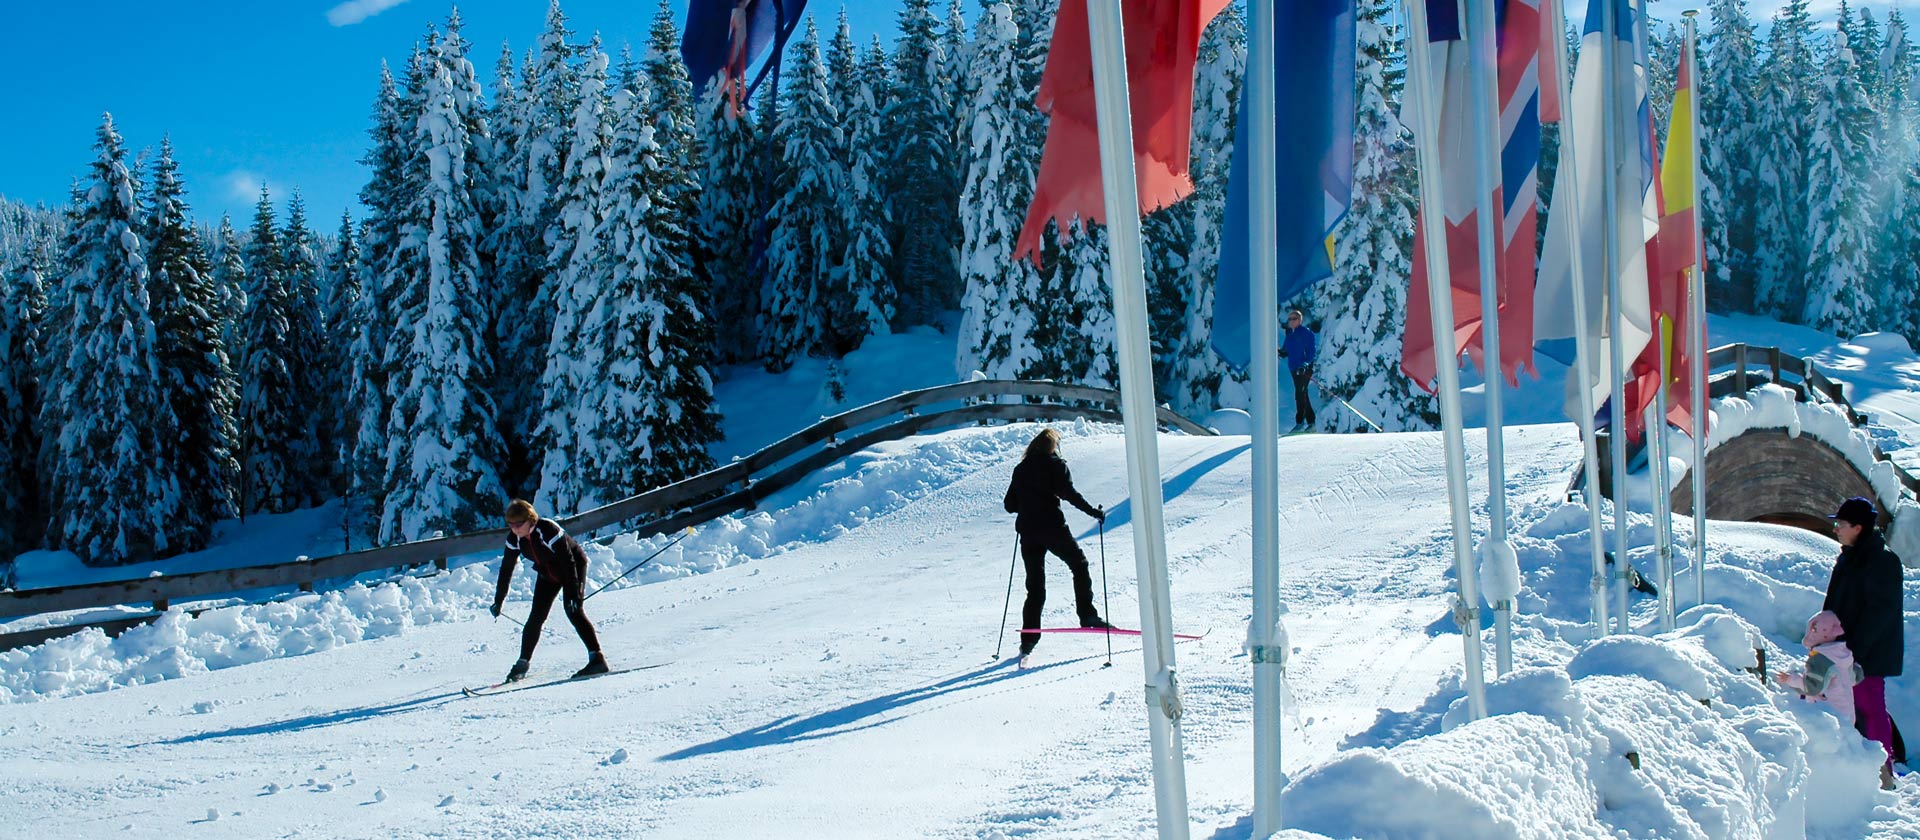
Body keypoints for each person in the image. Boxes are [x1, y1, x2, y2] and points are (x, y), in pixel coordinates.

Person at [1003, 428, 1112, 660]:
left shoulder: (1021, 469)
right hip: (1052, 528)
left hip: (1028, 533)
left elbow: (1009, 505)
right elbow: (1069, 494)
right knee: (1079, 564)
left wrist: (1027, 500)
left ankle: (1028, 639)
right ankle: (1087, 615)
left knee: (1035, 588)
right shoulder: (1055, 464)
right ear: (1052, 446)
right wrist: (1093, 512)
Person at [1823, 496, 1904, 788]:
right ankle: (1858, 771)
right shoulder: (1849, 557)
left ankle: (1883, 774)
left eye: (1841, 524)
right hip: (1843, 649)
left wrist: (1853, 652)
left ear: (1858, 527)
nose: (1836, 529)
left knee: (1870, 708)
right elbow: (1834, 604)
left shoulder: (1882, 562)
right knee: (1850, 707)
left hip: (1867, 653)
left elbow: (1878, 613)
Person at [493, 499, 609, 683]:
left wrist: (574, 593)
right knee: (536, 616)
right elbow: (506, 568)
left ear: (530, 519)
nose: (514, 529)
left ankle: (597, 659)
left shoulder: (548, 530)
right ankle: (522, 663)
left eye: (518, 524)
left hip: (572, 566)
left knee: (573, 610)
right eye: (511, 524)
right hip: (548, 572)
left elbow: (568, 560)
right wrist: (498, 600)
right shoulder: (515, 538)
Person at [1775, 610, 1862, 726]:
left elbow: (1813, 688)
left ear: (1825, 635)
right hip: (1847, 714)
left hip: (1827, 715)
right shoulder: (1842, 654)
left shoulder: (1822, 659)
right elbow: (1855, 677)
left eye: (1814, 630)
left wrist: (1790, 679)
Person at [1279, 309, 1317, 430]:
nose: (1291, 321)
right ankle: (1311, 424)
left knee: (1300, 394)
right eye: (1290, 319)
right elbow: (1285, 350)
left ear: (1300, 320)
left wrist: (1305, 365)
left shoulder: (1306, 333)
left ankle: (1300, 423)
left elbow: (1311, 353)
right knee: (1302, 393)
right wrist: (1280, 352)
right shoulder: (1290, 334)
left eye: (1294, 318)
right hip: (1294, 369)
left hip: (1304, 369)